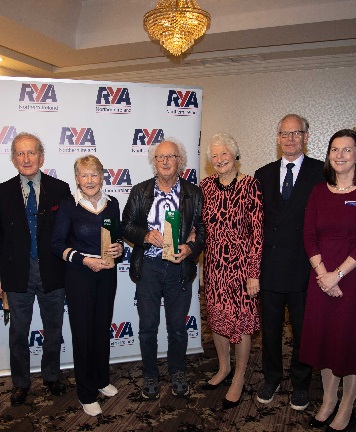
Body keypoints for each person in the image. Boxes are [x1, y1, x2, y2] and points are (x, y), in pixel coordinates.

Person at [300, 129, 356, 431]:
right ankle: (328, 400)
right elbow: (309, 235)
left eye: (347, 150)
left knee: (349, 342)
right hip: (320, 278)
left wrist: (337, 275)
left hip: (354, 279)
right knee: (324, 341)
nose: (339, 155)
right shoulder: (319, 191)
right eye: (334, 149)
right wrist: (323, 275)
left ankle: (347, 405)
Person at [121, 138, 206, 400]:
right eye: (160, 157)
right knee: (148, 326)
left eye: (171, 157)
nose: (166, 162)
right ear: (154, 162)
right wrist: (146, 235)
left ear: (180, 161)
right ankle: (150, 374)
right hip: (149, 266)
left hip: (179, 268)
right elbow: (125, 226)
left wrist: (191, 249)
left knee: (178, 327)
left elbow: (203, 230)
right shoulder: (140, 192)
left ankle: (178, 371)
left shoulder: (193, 193)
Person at [0, 133, 70, 406]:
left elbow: (68, 234)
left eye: (31, 153)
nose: (26, 159)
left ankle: (51, 377)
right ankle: (20, 383)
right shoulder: (0, 192)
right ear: (14, 159)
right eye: (20, 154)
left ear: (41, 157)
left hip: (52, 272)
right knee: (18, 333)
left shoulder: (60, 189)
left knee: (54, 329)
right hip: (17, 274)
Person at [253, 114, 325, 410]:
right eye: (285, 133)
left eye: (296, 133)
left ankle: (301, 383)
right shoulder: (262, 174)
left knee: (302, 331)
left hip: (304, 267)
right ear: (278, 137)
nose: (290, 139)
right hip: (269, 267)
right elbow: (254, 225)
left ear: (306, 137)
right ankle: (271, 378)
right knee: (269, 330)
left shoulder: (322, 172)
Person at [51, 155, 123, 416]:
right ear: (77, 179)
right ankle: (86, 392)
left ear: (102, 176)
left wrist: (119, 249)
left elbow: (117, 240)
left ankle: (102, 379)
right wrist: (84, 260)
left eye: (94, 174)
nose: (90, 180)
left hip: (107, 276)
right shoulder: (69, 205)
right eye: (85, 175)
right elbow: (56, 244)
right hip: (80, 276)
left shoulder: (112, 204)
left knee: (102, 329)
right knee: (83, 334)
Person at [198, 133, 263, 410]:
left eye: (224, 153)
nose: (220, 159)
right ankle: (224, 368)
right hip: (214, 266)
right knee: (218, 319)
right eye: (214, 155)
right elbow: (198, 227)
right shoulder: (205, 186)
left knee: (242, 322)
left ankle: (238, 377)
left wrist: (253, 273)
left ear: (235, 155)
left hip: (241, 268)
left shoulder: (250, 185)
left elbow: (258, 233)